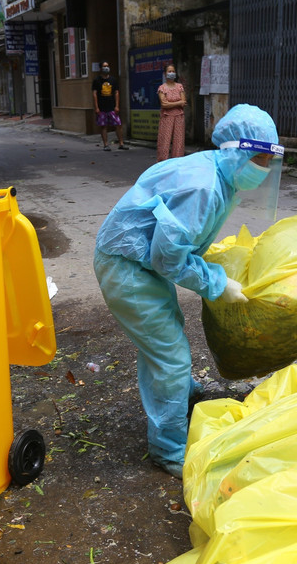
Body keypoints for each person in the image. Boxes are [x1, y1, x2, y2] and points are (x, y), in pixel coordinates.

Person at [94, 104, 282, 478]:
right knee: (171, 354)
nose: (263, 169)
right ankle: (168, 448)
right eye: (259, 158)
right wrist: (217, 283)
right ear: (238, 151)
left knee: (164, 333)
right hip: (126, 264)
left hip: (135, 260)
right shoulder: (205, 185)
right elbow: (167, 259)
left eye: (268, 160)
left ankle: (179, 392)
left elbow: (178, 242)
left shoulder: (217, 173)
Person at [91, 61, 127, 151]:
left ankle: (121, 143)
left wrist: (117, 106)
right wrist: (96, 107)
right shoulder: (96, 80)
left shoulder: (113, 80)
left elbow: (116, 93)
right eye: (104, 66)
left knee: (118, 124)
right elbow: (94, 94)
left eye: (107, 66)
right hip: (102, 107)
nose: (106, 68)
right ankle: (106, 144)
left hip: (112, 107)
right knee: (103, 126)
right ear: (100, 68)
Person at [156, 65, 186, 161]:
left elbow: (184, 102)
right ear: (165, 74)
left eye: (173, 71)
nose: (171, 73)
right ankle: (162, 163)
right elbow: (164, 104)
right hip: (166, 117)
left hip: (179, 116)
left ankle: (177, 163)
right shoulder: (162, 88)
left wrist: (171, 103)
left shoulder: (179, 86)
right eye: (169, 71)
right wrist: (178, 103)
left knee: (179, 141)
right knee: (164, 140)